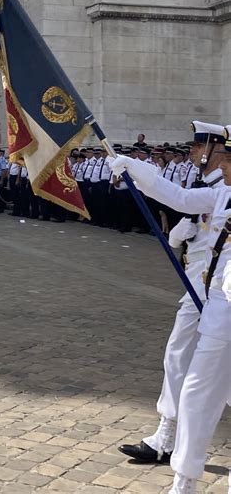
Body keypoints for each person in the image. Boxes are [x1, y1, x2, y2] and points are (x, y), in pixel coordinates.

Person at [110, 128, 231, 494]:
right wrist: (136, 169)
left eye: (228, 164)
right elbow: (177, 196)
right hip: (220, 305)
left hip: (219, 297)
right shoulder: (221, 193)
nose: (223, 170)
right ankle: (184, 479)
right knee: (196, 388)